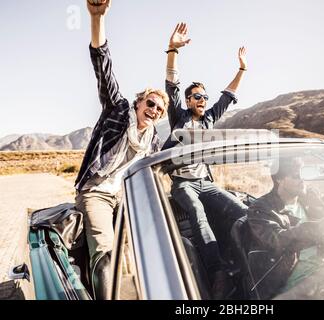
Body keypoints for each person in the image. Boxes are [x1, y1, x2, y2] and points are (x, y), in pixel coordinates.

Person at [74, 0, 169, 300]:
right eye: (150, 103)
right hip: (97, 190)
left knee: (131, 254)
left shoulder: (153, 140)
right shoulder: (117, 110)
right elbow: (103, 67)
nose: (154, 110)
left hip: (124, 198)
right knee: (104, 252)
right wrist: (97, 19)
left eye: (159, 108)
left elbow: (162, 168)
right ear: (139, 103)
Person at [163, 23, 248, 299]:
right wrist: (173, 49)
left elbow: (228, 95)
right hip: (184, 185)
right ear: (188, 101)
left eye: (204, 97)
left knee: (238, 209)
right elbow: (171, 85)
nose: (203, 100)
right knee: (198, 217)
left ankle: (249, 261)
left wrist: (242, 70)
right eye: (198, 97)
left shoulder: (210, 118)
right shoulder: (179, 117)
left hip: (205, 182)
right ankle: (216, 273)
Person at [247, 157, 324, 299]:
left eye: (304, 175)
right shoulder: (261, 208)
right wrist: (318, 228)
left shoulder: (309, 196)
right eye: (296, 176)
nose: (303, 180)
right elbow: (277, 241)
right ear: (279, 180)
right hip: (294, 284)